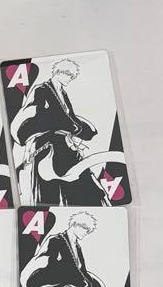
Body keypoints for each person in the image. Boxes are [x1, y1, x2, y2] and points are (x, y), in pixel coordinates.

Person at [12, 59, 108, 206]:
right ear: (58, 72)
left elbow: (70, 117)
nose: (70, 79)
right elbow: (34, 116)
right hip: (45, 145)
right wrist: (66, 125)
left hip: (63, 145)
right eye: (68, 75)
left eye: (72, 76)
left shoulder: (63, 93)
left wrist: (82, 130)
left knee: (81, 181)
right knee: (49, 190)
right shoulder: (41, 89)